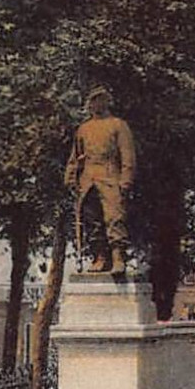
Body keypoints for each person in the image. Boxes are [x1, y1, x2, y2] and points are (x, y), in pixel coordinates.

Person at [64, 86, 137, 274]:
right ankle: (99, 257)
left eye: (101, 100)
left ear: (107, 102)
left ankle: (118, 257)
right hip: (88, 180)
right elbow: (75, 157)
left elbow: (127, 155)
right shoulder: (83, 129)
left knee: (114, 217)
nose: (97, 104)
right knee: (92, 221)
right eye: (94, 100)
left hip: (111, 177)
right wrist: (71, 178)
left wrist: (126, 180)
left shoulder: (118, 125)